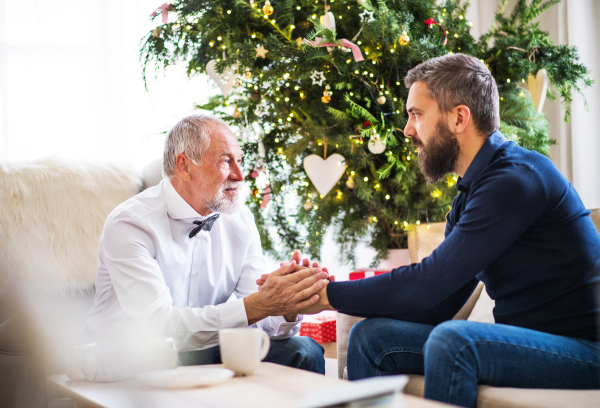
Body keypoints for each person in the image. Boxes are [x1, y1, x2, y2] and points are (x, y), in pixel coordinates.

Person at [280, 53, 600, 405]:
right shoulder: (471, 193)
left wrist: (324, 295)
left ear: (459, 117)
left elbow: (427, 283)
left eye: (416, 114)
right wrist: (322, 292)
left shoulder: (515, 179)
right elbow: (441, 301)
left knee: (453, 341)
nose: (407, 129)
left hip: (584, 353)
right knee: (370, 336)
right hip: (526, 341)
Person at [83, 114, 328, 373]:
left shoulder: (240, 221)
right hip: (129, 356)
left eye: (240, 161)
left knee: (303, 351)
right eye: (226, 161)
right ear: (185, 166)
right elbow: (158, 326)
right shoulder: (131, 223)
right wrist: (260, 304)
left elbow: (262, 323)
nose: (240, 175)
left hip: (205, 349)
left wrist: (289, 303)